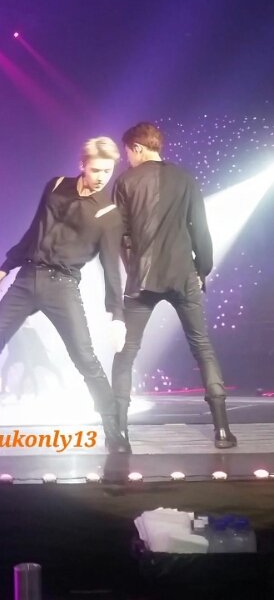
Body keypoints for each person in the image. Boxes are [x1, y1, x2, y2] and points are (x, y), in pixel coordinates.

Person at [0, 136, 130, 454]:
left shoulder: (108, 214)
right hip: (27, 279)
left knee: (85, 358)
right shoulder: (56, 186)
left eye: (107, 171)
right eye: (96, 170)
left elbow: (111, 268)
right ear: (82, 165)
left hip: (62, 286)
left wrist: (117, 315)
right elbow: (33, 230)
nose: (101, 177)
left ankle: (114, 431)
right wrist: (8, 264)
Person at [112, 122, 237, 449]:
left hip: (142, 279)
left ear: (138, 148)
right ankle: (222, 431)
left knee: (126, 352)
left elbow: (119, 236)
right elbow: (201, 231)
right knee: (202, 347)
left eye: (128, 152)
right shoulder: (185, 178)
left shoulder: (125, 182)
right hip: (183, 275)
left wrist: (133, 269)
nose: (127, 159)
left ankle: (120, 435)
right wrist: (202, 269)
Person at [0, 320, 65, 399]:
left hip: (36, 357)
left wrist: (42, 351)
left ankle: (29, 392)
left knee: (29, 374)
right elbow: (16, 345)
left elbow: (35, 344)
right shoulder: (20, 332)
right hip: (32, 357)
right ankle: (22, 393)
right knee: (27, 374)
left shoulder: (28, 331)